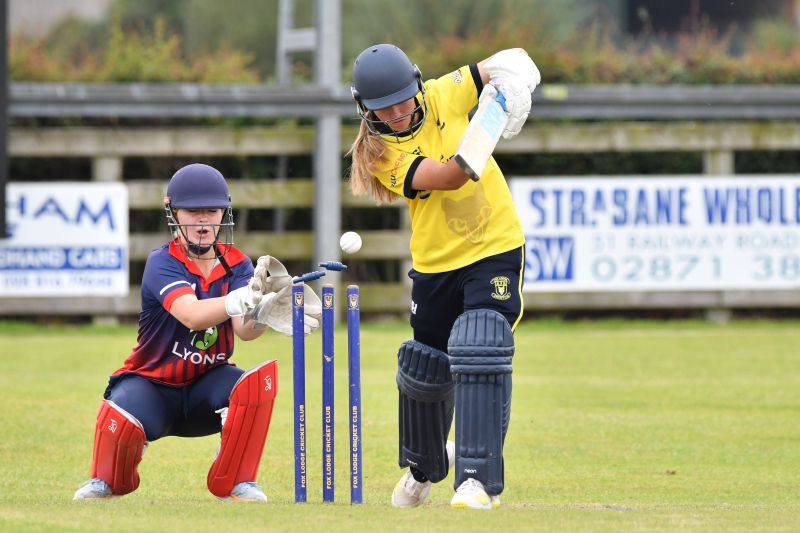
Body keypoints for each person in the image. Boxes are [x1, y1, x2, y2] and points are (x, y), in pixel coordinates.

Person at [348, 44, 540, 510]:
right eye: (383, 109)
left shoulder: (440, 94)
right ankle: (423, 467)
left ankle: (477, 479)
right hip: (435, 264)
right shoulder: (380, 155)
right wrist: (491, 116)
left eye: (402, 101)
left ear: (417, 86)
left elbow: (514, 59)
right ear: (364, 110)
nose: (397, 114)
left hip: (494, 246)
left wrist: (513, 85)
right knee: (426, 369)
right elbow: (454, 175)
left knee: (483, 344)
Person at [73, 163, 320, 502]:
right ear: (174, 213)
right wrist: (239, 299)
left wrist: (263, 312)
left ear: (223, 213)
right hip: (152, 385)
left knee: (253, 386)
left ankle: (237, 481)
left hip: (207, 384)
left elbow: (244, 331)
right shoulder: (162, 262)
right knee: (122, 413)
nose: (203, 221)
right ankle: (106, 480)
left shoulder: (238, 264)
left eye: (211, 211)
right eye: (193, 211)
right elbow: (191, 316)